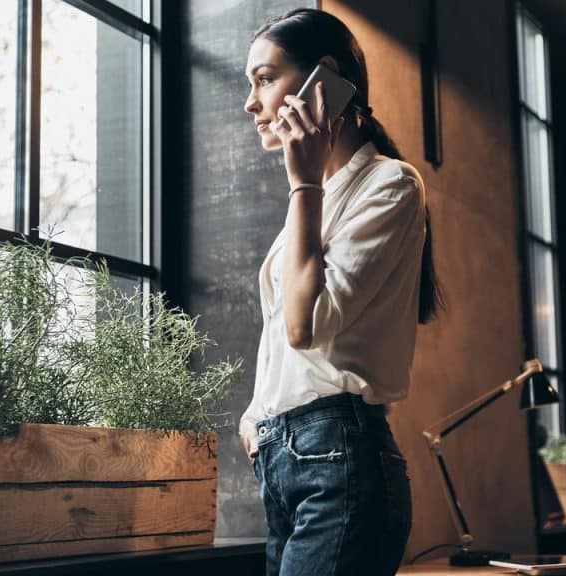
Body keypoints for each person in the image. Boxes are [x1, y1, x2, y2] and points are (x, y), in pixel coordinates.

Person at [237, 8, 441, 576]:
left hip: (338, 459)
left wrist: (303, 183)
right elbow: (283, 336)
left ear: (321, 80)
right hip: (288, 464)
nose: (250, 103)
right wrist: (256, 416)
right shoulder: (313, 205)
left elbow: (304, 326)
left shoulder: (390, 184)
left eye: (264, 79)